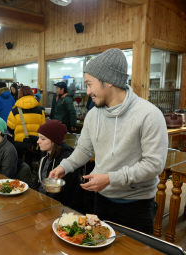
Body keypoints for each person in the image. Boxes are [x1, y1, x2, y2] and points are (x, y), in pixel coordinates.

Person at [49, 48, 168, 234]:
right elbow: (85, 150)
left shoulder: (149, 115)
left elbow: (154, 165)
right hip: (101, 200)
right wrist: (65, 166)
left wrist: (111, 179)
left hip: (137, 206)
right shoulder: (93, 114)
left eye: (90, 84)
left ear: (109, 81)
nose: (87, 91)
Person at [7, 86, 45, 160]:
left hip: (19, 144)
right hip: (35, 143)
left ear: (19, 94)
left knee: (20, 164)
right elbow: (43, 129)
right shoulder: (40, 111)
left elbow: (10, 129)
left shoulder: (14, 111)